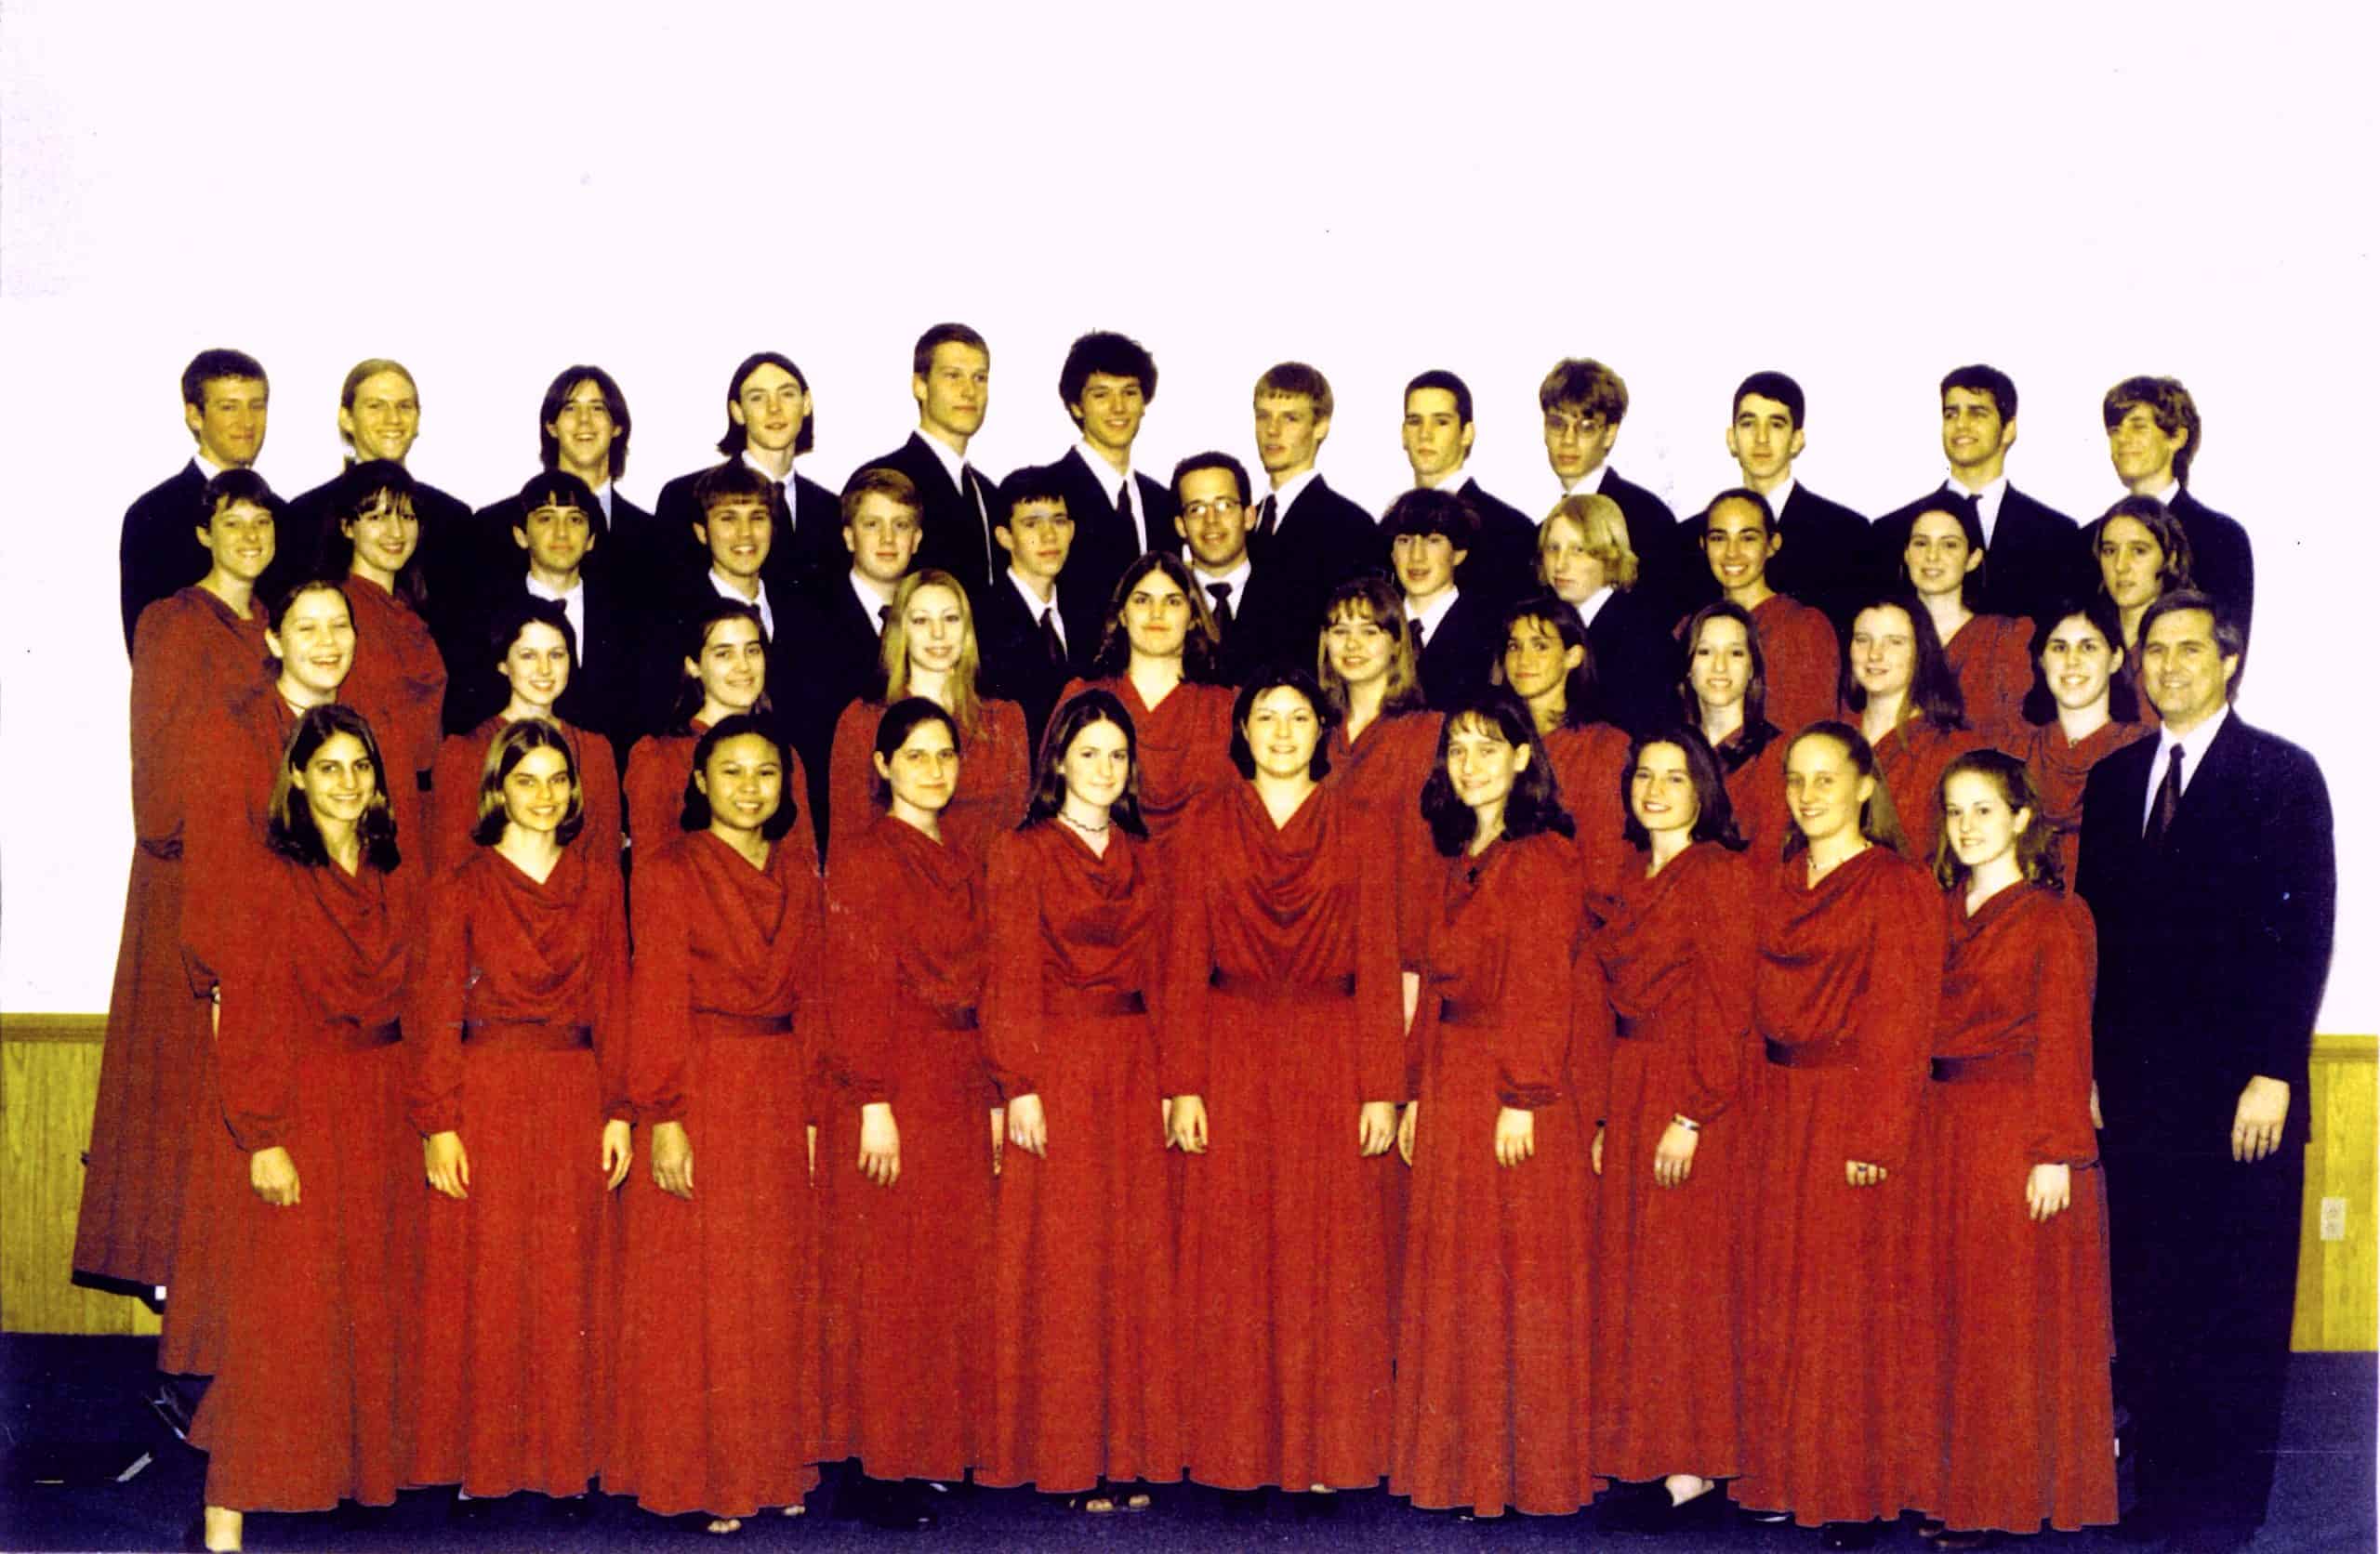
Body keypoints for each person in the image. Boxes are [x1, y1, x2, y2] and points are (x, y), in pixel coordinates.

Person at [2075, 591, 2334, 1548]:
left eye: (2190, 649)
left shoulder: (2281, 773)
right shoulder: (2113, 780)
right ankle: (2162, 1494)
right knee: (2150, 1295)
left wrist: (2274, 1070)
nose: (2170, 666)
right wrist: (2088, 1067)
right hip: (2138, 1091)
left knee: (2236, 1297)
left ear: (2229, 660)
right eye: (2155, 650)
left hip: (2240, 1095)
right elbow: (2094, 940)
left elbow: (2304, 930)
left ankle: (2225, 1509)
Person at [1163, 669, 1403, 1504]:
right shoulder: (1203, 823)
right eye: (1266, 716)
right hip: (1231, 1047)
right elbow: (1183, 959)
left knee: (1327, 1250)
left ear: (1322, 731)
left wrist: (1383, 1086)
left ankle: (1327, 1452)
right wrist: (1182, 1082)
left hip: (1331, 1051)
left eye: (1299, 716)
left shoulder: (1362, 826)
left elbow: (1379, 960)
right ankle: (1233, 1455)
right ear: (1242, 730)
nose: (1282, 731)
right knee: (1233, 1249)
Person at [188, 705, 420, 1554]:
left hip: (383, 1101)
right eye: (329, 767)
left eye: (361, 766)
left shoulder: (394, 872)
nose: (348, 783)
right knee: (281, 1308)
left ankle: (343, 1479)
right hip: (304, 1103)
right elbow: (247, 1015)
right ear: (297, 777)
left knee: (362, 1301)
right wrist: (264, 1137)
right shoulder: (271, 875)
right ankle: (225, 1512)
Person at [409, 719, 633, 1510]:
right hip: (488, 1091)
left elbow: (616, 999)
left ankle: (566, 1461)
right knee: (492, 1274)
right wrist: (439, 1122)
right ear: (497, 790)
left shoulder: (599, 882)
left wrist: (619, 1109)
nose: (544, 795)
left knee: (568, 1275)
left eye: (557, 780)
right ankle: (487, 1462)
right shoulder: (460, 884)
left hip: (575, 1089)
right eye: (526, 780)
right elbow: (435, 1008)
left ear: (575, 792)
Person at [610, 715, 826, 1534]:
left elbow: (815, 995)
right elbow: (656, 993)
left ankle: (771, 1464)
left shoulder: (797, 872)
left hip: (777, 1086)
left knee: (772, 1281)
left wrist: (812, 1108)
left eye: (765, 772)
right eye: (730, 771)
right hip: (701, 1083)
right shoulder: (668, 869)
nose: (749, 788)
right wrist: (663, 1114)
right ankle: (704, 1477)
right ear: (699, 783)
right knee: (703, 1285)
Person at [1733, 722, 1943, 1548]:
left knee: (1845, 1303)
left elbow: (1903, 1020)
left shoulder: (1896, 885)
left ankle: (1854, 1491)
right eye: (1796, 779)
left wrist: (1877, 1136)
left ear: (1865, 787)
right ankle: (1783, 1475)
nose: (1808, 795)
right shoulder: (1777, 880)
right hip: (1778, 1105)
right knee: (1779, 1292)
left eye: (1827, 778)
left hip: (1851, 1108)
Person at [1390, 689, 1596, 1519]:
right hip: (1451, 1074)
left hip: (1512, 1082)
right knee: (1461, 1272)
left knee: (1514, 1271)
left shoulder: (1543, 856)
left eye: (1487, 747)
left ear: (1522, 758)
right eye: (1457, 749)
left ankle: (1518, 1475)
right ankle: (1461, 1468)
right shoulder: (1453, 854)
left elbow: (1545, 986)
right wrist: (1412, 1093)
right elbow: (1430, 990)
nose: (1470, 764)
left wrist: (1524, 1094)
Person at [79, 470, 279, 1302]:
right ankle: (180, 1292)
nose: (250, 537)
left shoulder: (279, 624)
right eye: (233, 522)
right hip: (191, 878)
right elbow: (161, 779)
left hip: (269, 881)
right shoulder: (171, 621)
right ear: (204, 533)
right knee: (184, 1084)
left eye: (262, 523)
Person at [981, 690, 1183, 1513]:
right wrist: (1020, 1084)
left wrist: (1172, 1081)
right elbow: (1008, 973)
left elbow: (1165, 976)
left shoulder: (1147, 856)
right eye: (1089, 753)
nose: (1105, 768)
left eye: (1118, 755)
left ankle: (1127, 1452)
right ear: (1058, 761)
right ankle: (1069, 1458)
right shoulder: (1022, 851)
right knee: (1066, 1261)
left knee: (1131, 1255)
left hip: (1131, 1062)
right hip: (1057, 1061)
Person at [1911, 751, 2115, 1547]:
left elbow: (2066, 1038)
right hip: (1944, 1126)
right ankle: (1953, 1487)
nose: (1966, 827)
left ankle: (2002, 1497)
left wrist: (2056, 1151)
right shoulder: (1939, 909)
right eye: (1954, 811)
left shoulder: (2052, 917)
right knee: (1953, 1311)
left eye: (1985, 810)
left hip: (2016, 1129)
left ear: (2023, 818)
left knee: (2005, 1317)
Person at [163, 578, 358, 1385]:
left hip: (344, 1009)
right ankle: (235, 1401)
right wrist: (224, 993)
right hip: (257, 1000)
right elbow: (214, 880)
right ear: (273, 640)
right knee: (250, 1207)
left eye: (339, 625)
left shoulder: (358, 733)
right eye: (307, 627)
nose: (327, 642)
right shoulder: (233, 729)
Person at [816, 698, 996, 1533]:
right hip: (896, 1076)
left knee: (943, 1272)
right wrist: (874, 1100)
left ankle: (927, 1450)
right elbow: (855, 986)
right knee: (888, 1275)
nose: (932, 769)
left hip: (958, 1075)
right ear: (882, 766)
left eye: (945, 755)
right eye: (914, 755)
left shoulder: (963, 853)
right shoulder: (864, 856)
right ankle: (876, 1466)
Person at [1583, 730, 1753, 1534]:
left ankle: (1695, 1468)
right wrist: (1606, 1114)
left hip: (1692, 1088)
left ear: (1704, 790)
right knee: (1637, 1277)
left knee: (1685, 1279)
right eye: (1644, 775)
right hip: (1632, 1081)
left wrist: (1693, 1113)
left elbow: (1727, 1003)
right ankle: (1647, 1453)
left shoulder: (1719, 875)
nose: (1655, 790)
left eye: (1675, 777)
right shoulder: (1627, 873)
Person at [270, 360, 476, 656]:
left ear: (418, 419)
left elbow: (464, 630)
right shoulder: (304, 515)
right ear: (347, 418)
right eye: (376, 406)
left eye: (404, 406)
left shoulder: (453, 518)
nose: (393, 418)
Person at [826, 569, 1030, 860]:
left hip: (991, 882)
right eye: (921, 620)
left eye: (951, 618)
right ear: (901, 630)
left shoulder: (1004, 718)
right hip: (899, 880)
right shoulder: (863, 720)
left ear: (967, 628)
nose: (938, 633)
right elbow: (848, 839)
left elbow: (1016, 832)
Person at [777, 467, 926, 850]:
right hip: (839, 824)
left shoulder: (935, 618)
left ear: (916, 539)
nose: (888, 539)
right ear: (848, 536)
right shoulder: (808, 619)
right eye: (872, 524)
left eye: (901, 525)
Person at [1871, 365, 2085, 630]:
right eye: (1951, 414)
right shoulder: (1890, 531)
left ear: (2008, 429)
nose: (1961, 424)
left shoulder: (2058, 535)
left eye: (1977, 413)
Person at [450, 471, 640, 760]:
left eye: (575, 520)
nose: (562, 532)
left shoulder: (630, 617)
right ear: (521, 535)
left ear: (591, 539)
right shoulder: (482, 615)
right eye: (546, 518)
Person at [428, 601, 622, 876]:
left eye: (556, 655)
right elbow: (452, 865)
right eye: (528, 655)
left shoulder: (594, 750)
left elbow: (606, 859)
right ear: (503, 664)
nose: (545, 669)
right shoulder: (466, 752)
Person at [1057, 553, 1237, 847]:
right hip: (1102, 870)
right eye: (1142, 600)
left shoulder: (1227, 707)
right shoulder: (1081, 697)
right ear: (1122, 615)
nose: (1157, 613)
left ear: (1193, 617)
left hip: (1206, 869)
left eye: (1172, 601)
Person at [622, 600, 813, 867]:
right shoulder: (660, 756)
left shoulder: (782, 753)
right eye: (724, 654)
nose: (743, 666)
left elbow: (802, 859)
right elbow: (652, 869)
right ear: (694, 666)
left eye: (752, 650)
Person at [322, 461, 446, 852]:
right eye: (377, 517)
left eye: (406, 517)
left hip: (418, 806)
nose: (395, 531)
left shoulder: (408, 608)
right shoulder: (338, 607)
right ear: (347, 527)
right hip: (367, 808)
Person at [653, 352, 839, 601]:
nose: (774, 408)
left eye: (787, 394)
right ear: (737, 411)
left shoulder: (830, 508)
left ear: (806, 403)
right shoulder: (684, 496)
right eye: (757, 397)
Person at [121, 348, 269, 652]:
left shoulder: (281, 512)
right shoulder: (153, 515)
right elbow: (149, 648)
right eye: (229, 407)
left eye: (256, 406)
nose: (247, 421)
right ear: (194, 416)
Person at [1700, 371, 1870, 631]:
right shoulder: (1689, 539)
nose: (1761, 438)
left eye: (1776, 424)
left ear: (1797, 440)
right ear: (1731, 439)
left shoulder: (1845, 534)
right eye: (1748, 423)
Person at [1495, 596, 1631, 901]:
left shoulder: (1603, 746)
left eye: (1540, 646)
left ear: (1573, 656)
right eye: (1514, 646)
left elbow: (1605, 867)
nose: (1523, 659)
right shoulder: (1490, 738)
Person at [1538, 356, 1688, 623]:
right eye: (1557, 424)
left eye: (1586, 428)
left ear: (1609, 434)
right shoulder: (1543, 528)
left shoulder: (1646, 516)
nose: (1568, 440)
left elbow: (1663, 615)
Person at [1841, 594, 1984, 864]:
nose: (1874, 654)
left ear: (1920, 653)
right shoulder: (1831, 736)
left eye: (1894, 642)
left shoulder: (1951, 748)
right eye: (1862, 639)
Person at [2103, 375, 2252, 631]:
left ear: (2177, 438)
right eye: (2115, 430)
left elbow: (2229, 645)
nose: (2123, 439)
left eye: (2138, 427)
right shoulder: (2088, 540)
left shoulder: (2221, 537)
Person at [1045, 330, 1178, 613]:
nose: (1118, 407)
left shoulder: (1163, 502)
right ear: (1077, 407)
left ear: (1144, 403)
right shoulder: (1048, 491)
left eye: (1129, 392)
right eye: (1101, 394)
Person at [862, 323, 999, 594]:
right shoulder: (881, 480)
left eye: (980, 378)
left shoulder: (989, 494)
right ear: (920, 386)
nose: (969, 391)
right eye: (953, 376)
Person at [2016, 598, 2146, 881]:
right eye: (2059, 647)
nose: (2072, 661)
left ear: (2115, 659)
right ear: (2041, 660)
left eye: (2088, 647)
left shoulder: (2144, 751)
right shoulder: (2019, 750)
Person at [1695, 488, 1840, 736]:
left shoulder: (1803, 626)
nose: (1732, 552)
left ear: (1773, 544)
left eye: (1748, 538)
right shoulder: (1692, 627)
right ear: (1703, 545)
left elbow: (1813, 733)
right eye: (1719, 538)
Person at [1248, 362, 1375, 641]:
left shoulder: (1349, 526)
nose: (1272, 430)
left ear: (1321, 427)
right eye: (1263, 416)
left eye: (1290, 418)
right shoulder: (1242, 521)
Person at [1896, 494, 2034, 746]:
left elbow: (2017, 734)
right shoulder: (1880, 634)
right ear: (1906, 553)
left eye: (1949, 545)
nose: (1932, 556)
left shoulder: (2003, 637)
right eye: (1921, 543)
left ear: (1973, 559)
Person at [973, 466, 1097, 744]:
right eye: (1031, 524)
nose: (1049, 535)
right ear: (1004, 537)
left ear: (1072, 530)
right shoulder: (982, 618)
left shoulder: (1089, 612)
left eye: (1058, 521)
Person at [1398, 369, 1535, 609]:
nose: (1425, 434)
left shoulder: (1509, 530)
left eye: (1441, 422)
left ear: (1467, 434)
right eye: (1415, 421)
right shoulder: (1389, 529)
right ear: (1403, 434)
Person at [1537, 493, 1672, 733]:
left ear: (1611, 556)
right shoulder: (1552, 622)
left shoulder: (1640, 633)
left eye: (1578, 550)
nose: (1560, 564)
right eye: (1553, 548)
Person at [1677, 600, 1792, 858]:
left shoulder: (1776, 754)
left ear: (1752, 668)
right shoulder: (1671, 750)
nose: (1720, 666)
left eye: (1735, 653)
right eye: (1705, 651)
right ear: (1688, 667)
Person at [1384, 488, 1499, 710]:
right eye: (1405, 540)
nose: (1416, 556)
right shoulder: (1374, 624)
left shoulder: (1489, 630)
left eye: (1433, 541)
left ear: (1458, 553)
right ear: (1392, 554)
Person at [2086, 494, 2195, 728]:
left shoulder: (2188, 640)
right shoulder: (2085, 635)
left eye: (2138, 551)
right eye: (2109, 551)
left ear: (2169, 558)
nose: (2120, 566)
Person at [1173, 450, 1276, 682]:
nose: (1211, 520)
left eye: (1224, 505)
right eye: (1196, 509)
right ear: (1181, 526)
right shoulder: (1167, 607)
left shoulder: (1290, 599)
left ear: (1249, 516)